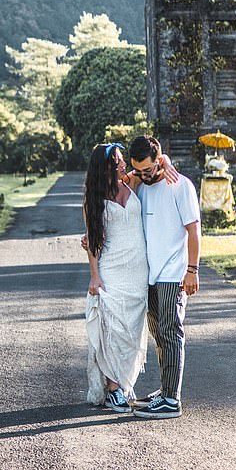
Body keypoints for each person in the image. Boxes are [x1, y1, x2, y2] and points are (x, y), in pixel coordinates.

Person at [83, 141, 178, 413]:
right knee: (113, 330)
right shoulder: (94, 199)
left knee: (133, 332)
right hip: (112, 271)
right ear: (107, 168)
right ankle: (113, 389)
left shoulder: (130, 182)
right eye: (120, 162)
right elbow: (93, 242)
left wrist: (168, 163)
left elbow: (159, 160)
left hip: (139, 272)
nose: (125, 165)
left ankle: (124, 384)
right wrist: (94, 277)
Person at [125, 134, 201, 420]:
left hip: (173, 272)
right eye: (138, 170)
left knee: (171, 331)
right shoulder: (141, 186)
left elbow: (194, 231)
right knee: (159, 334)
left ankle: (172, 399)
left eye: (148, 169)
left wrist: (192, 270)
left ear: (160, 160)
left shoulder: (180, 186)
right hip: (150, 275)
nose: (143, 175)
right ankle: (165, 388)